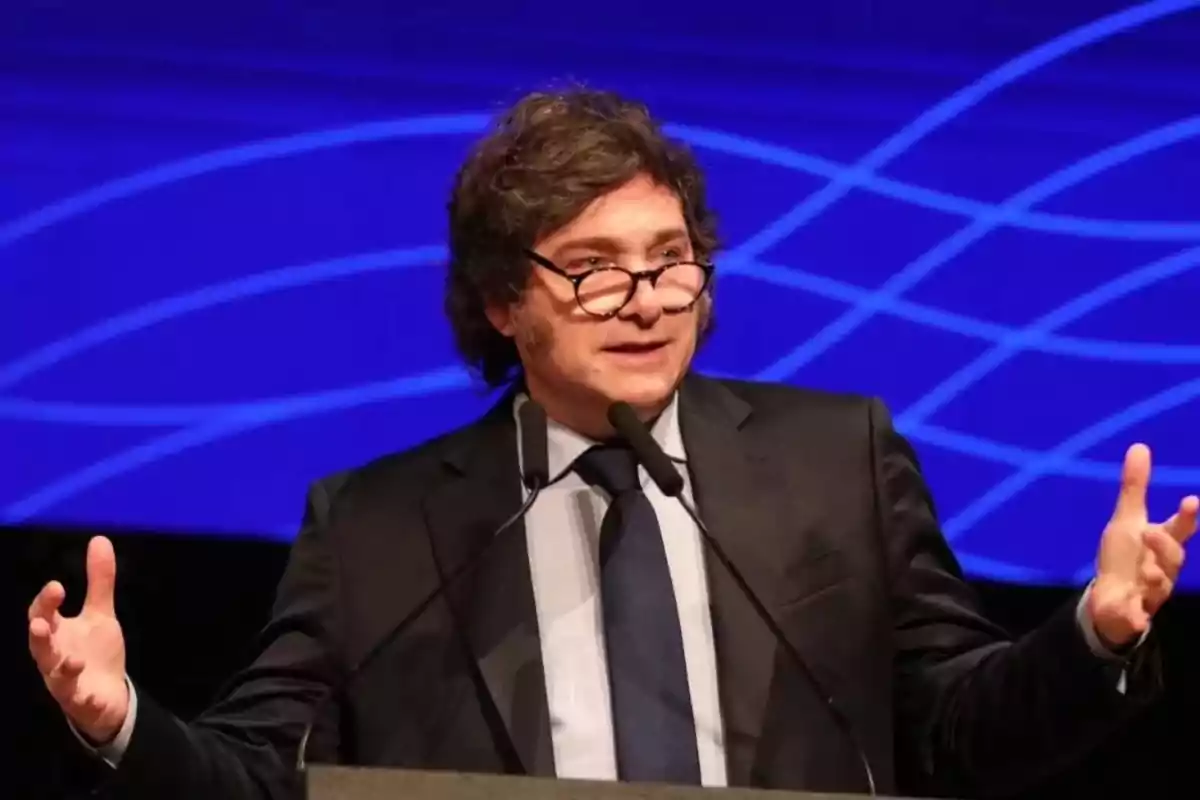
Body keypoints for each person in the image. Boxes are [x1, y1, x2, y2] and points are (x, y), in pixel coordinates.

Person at [28, 87, 1196, 800]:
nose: (646, 297)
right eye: (592, 270)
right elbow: (263, 781)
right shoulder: (377, 528)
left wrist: (1089, 634)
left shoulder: (839, 462)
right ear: (500, 300)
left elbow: (959, 732)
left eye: (670, 257)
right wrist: (120, 717)